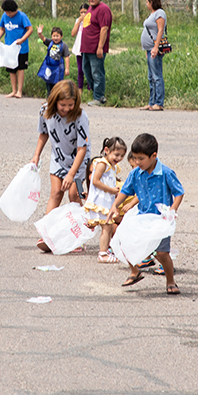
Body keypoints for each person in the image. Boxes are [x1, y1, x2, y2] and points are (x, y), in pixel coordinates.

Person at [108, 133, 185, 294]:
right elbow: (126, 190)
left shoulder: (165, 172)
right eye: (135, 158)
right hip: (142, 217)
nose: (137, 162)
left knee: (162, 254)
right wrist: (115, 205)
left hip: (160, 219)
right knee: (123, 242)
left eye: (141, 158)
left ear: (153, 156)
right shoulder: (136, 173)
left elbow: (179, 193)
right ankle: (135, 271)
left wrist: (173, 209)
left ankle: (170, 281)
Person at [31, 80, 89, 252]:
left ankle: (77, 238)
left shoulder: (80, 116)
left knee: (75, 195)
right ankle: (48, 233)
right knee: (56, 193)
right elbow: (43, 133)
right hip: (58, 158)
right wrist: (36, 155)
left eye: (70, 105)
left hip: (79, 162)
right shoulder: (45, 111)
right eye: (62, 105)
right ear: (55, 100)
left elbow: (82, 149)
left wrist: (72, 174)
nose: (66, 109)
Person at [85, 137, 127, 263]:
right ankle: (102, 254)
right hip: (101, 200)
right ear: (107, 150)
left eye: (122, 156)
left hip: (107, 200)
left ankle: (106, 249)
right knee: (107, 226)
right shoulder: (102, 164)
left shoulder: (112, 166)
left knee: (107, 226)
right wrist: (110, 190)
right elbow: (95, 181)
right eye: (117, 154)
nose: (119, 158)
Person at [80, 0, 112, 106]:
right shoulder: (90, 8)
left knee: (97, 73)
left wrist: (100, 48)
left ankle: (99, 97)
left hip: (95, 48)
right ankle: (97, 95)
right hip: (86, 48)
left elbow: (104, 29)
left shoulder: (103, 9)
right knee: (87, 71)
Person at [0, 0, 32, 98]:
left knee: (20, 68)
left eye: (9, 12)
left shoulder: (22, 16)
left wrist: (22, 39)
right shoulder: (4, 16)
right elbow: (2, 29)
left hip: (21, 48)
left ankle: (19, 91)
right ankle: (13, 90)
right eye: (6, 12)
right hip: (9, 48)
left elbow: (30, 29)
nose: (8, 14)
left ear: (14, 10)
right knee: (11, 69)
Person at [140, 0, 167, 111]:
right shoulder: (152, 14)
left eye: (147, 2)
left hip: (154, 48)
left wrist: (155, 47)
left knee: (157, 76)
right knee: (150, 77)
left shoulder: (159, 13)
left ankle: (159, 102)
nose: (146, 4)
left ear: (152, 3)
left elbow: (160, 30)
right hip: (149, 49)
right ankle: (151, 102)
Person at [35, 24, 70, 95]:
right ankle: (49, 99)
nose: (55, 38)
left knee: (57, 85)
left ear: (61, 36)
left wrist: (67, 68)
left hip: (58, 68)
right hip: (49, 67)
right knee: (48, 83)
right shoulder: (50, 42)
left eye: (57, 36)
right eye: (54, 36)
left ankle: (56, 99)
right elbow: (43, 38)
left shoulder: (64, 45)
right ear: (51, 36)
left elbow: (66, 56)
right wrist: (39, 33)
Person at [70, 3, 89, 91]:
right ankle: (80, 90)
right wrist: (78, 22)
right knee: (80, 70)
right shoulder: (78, 20)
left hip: (88, 48)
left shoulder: (90, 20)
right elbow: (73, 34)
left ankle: (90, 90)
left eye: (85, 12)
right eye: (81, 12)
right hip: (79, 48)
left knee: (88, 70)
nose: (83, 14)